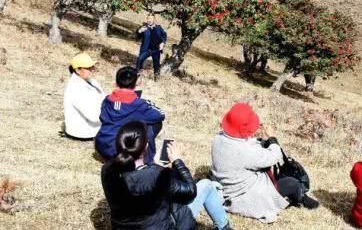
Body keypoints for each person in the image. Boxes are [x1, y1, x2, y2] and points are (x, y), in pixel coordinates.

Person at [101, 121, 232, 230]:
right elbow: (190, 193)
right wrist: (177, 161)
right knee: (207, 185)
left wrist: (155, 166)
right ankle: (224, 226)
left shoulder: (108, 170)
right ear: (146, 146)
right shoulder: (155, 175)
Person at [210, 103, 319, 223]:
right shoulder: (246, 152)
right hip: (243, 195)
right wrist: (273, 142)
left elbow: (245, 143)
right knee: (291, 183)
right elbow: (273, 157)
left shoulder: (218, 138)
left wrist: (259, 142)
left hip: (226, 188)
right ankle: (301, 198)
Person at [95, 66, 165, 163]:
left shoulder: (107, 99)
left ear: (117, 82)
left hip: (101, 145)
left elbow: (102, 117)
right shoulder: (138, 104)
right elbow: (160, 115)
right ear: (136, 82)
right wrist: (144, 101)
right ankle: (147, 159)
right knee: (155, 123)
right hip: (119, 150)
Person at [63, 53, 104, 140]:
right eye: (89, 68)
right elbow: (94, 117)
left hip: (94, 127)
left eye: (92, 66)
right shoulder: (75, 89)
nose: (92, 69)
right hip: (84, 132)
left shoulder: (91, 81)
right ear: (77, 70)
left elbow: (103, 97)